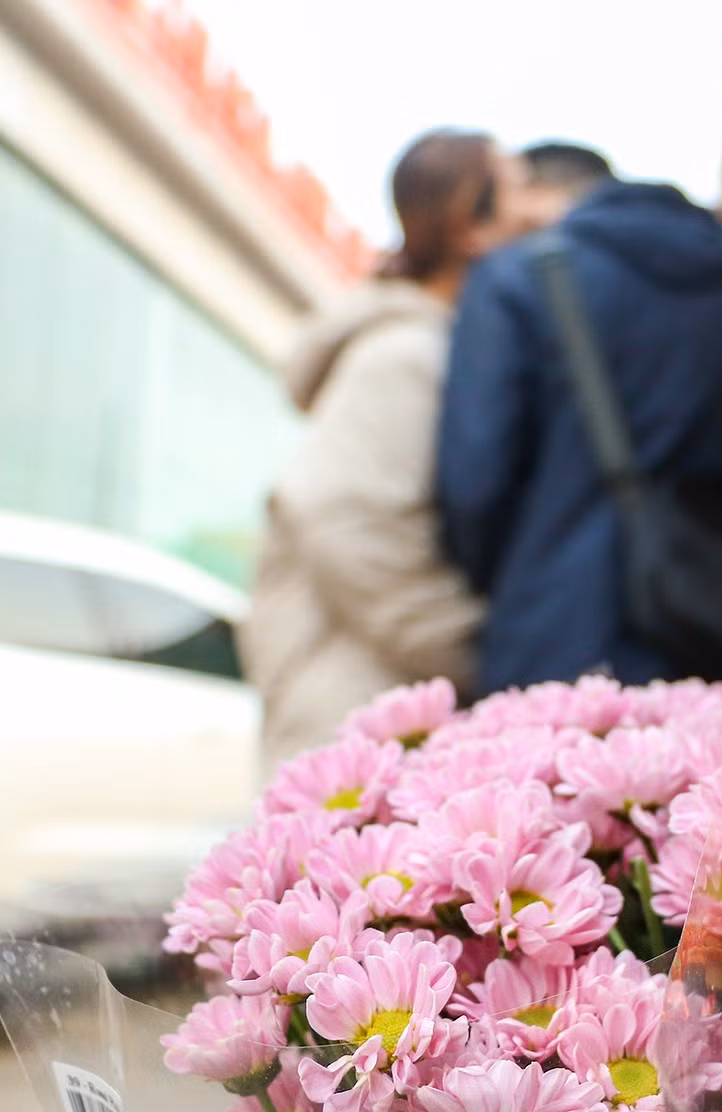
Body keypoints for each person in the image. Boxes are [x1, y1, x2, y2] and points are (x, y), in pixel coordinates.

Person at [436, 142, 722, 694]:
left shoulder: (513, 279)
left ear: (543, 195)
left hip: (556, 652)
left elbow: (474, 488)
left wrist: (533, 572)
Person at [241, 129, 529, 772]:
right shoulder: (408, 356)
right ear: (469, 228)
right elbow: (346, 519)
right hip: (353, 727)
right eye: (519, 194)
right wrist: (480, 655)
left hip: (372, 712)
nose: (537, 216)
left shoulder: (435, 349)